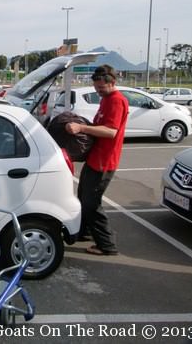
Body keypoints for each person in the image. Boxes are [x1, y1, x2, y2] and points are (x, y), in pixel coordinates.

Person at [65, 65, 128, 256]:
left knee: (92, 203)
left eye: (101, 88)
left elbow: (111, 131)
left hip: (105, 161)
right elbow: (99, 124)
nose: (98, 92)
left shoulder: (116, 101)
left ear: (112, 83)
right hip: (95, 158)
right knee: (84, 197)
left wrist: (82, 129)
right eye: (96, 88)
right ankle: (86, 232)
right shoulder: (107, 99)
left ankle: (106, 244)